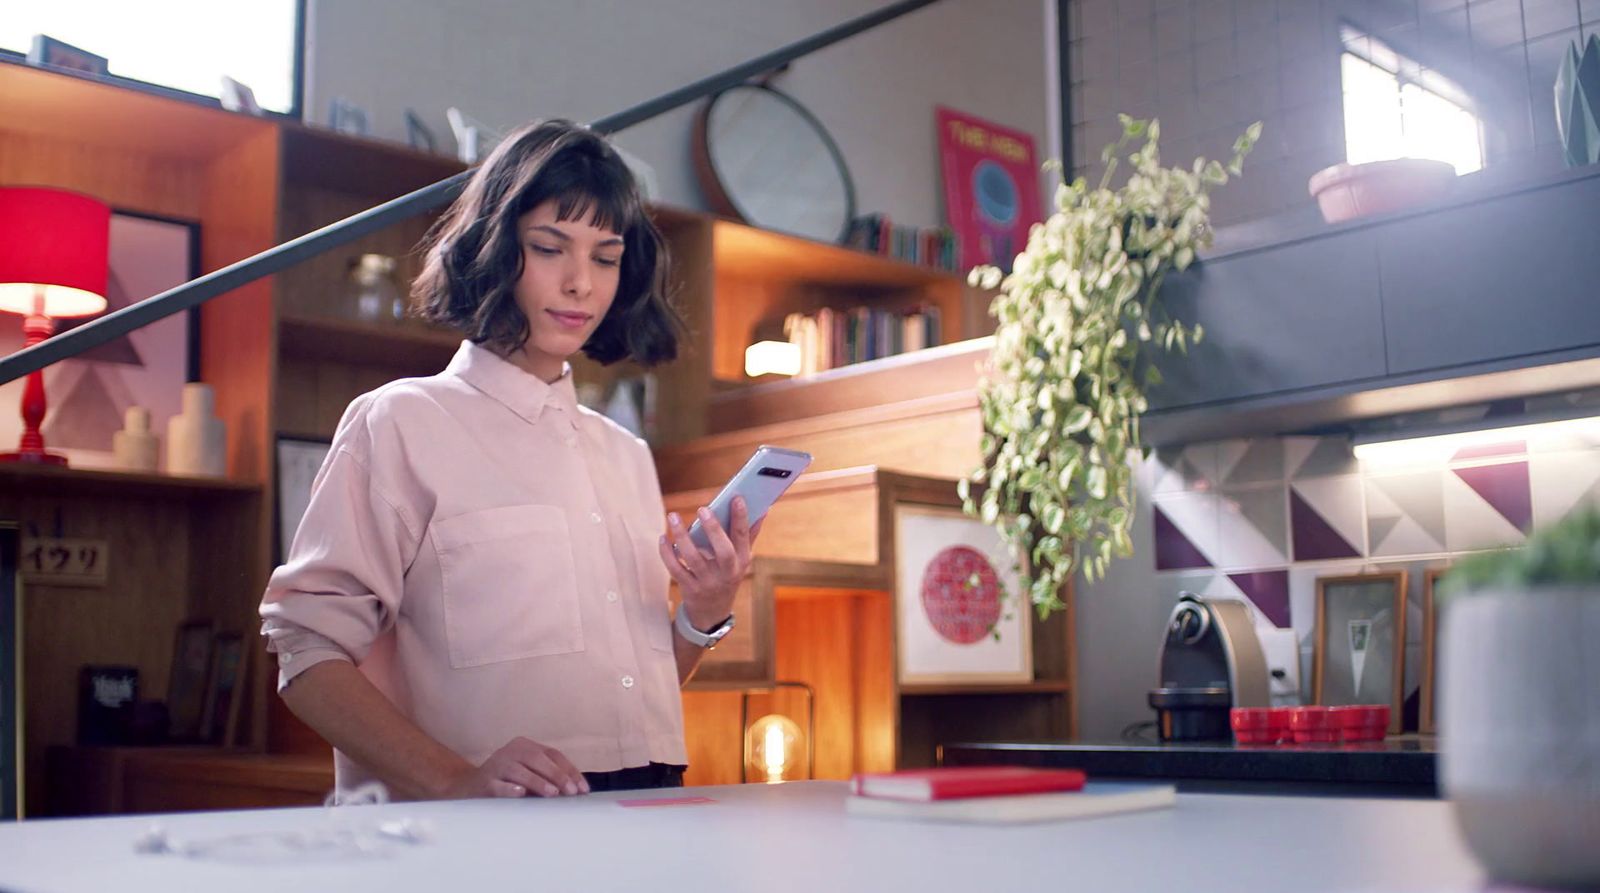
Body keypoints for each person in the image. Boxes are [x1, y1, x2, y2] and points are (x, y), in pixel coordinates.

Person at [259, 119, 757, 800]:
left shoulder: (628, 455)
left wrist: (702, 612)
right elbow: (307, 651)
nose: (581, 282)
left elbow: (635, 699)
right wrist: (457, 778)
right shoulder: (402, 422)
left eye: (606, 257)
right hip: (478, 832)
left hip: (647, 810)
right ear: (495, 249)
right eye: (551, 248)